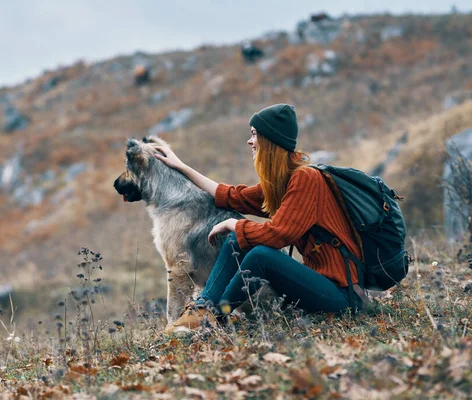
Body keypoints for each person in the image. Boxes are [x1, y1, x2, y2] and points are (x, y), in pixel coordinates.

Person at [153, 103, 365, 333]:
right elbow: (233, 196)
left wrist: (233, 223)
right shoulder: (284, 182)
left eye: (254, 134)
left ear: (270, 140)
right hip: (317, 286)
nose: (249, 141)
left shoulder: (307, 179)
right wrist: (181, 167)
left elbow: (279, 235)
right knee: (238, 240)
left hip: (342, 298)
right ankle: (204, 310)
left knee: (260, 254)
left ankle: (215, 315)